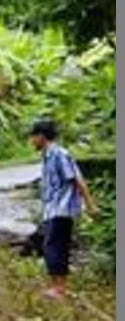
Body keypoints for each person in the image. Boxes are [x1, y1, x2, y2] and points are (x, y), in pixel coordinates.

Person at [31, 119, 98, 301]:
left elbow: (77, 179)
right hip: (53, 209)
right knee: (50, 246)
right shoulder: (47, 156)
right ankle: (58, 286)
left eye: (33, 137)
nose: (32, 141)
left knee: (55, 247)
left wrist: (90, 205)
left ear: (41, 137)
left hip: (62, 209)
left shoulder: (60, 154)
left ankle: (60, 289)